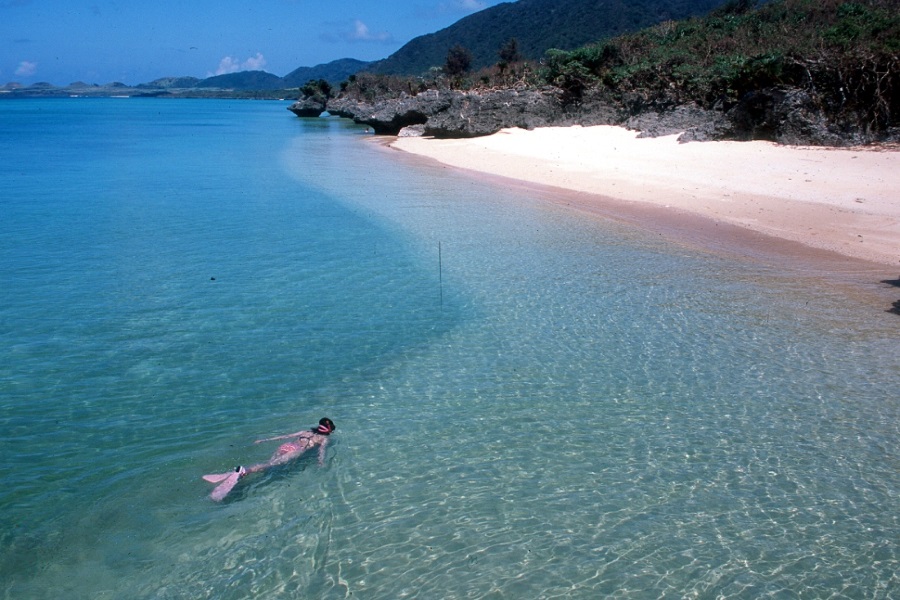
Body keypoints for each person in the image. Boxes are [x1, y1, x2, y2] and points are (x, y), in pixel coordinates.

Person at [203, 417, 336, 501]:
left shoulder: (304, 432)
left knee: (268, 463)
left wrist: (264, 440)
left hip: (287, 446)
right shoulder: (324, 439)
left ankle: (240, 473)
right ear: (329, 431)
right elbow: (321, 451)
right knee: (269, 466)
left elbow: (284, 436)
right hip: (295, 451)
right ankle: (245, 471)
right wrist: (321, 462)